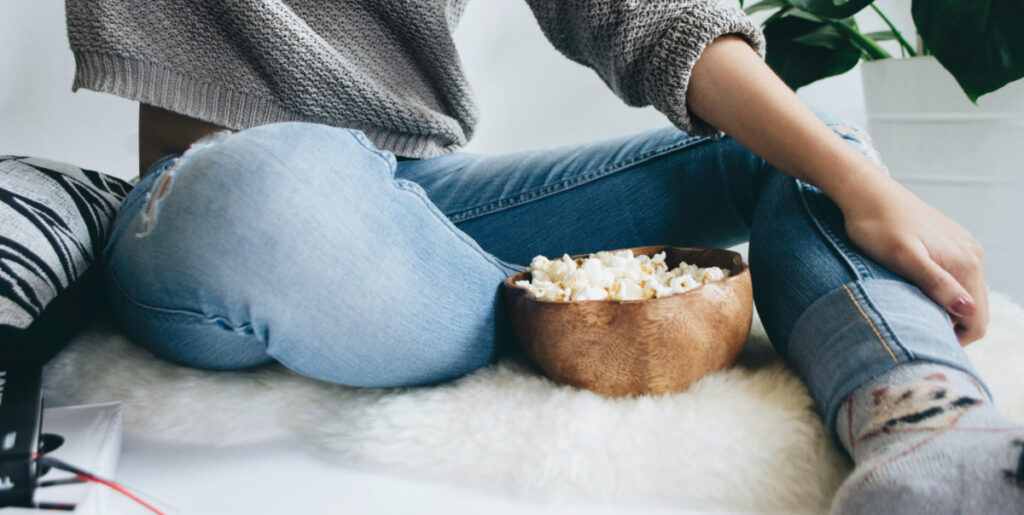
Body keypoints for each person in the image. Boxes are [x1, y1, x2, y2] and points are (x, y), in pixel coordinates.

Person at [66, 1, 1023, 512]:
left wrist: (868, 189)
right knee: (273, 184)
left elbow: (644, 13)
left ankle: (923, 423)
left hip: (423, 197)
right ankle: (557, 309)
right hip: (216, 203)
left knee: (808, 143)